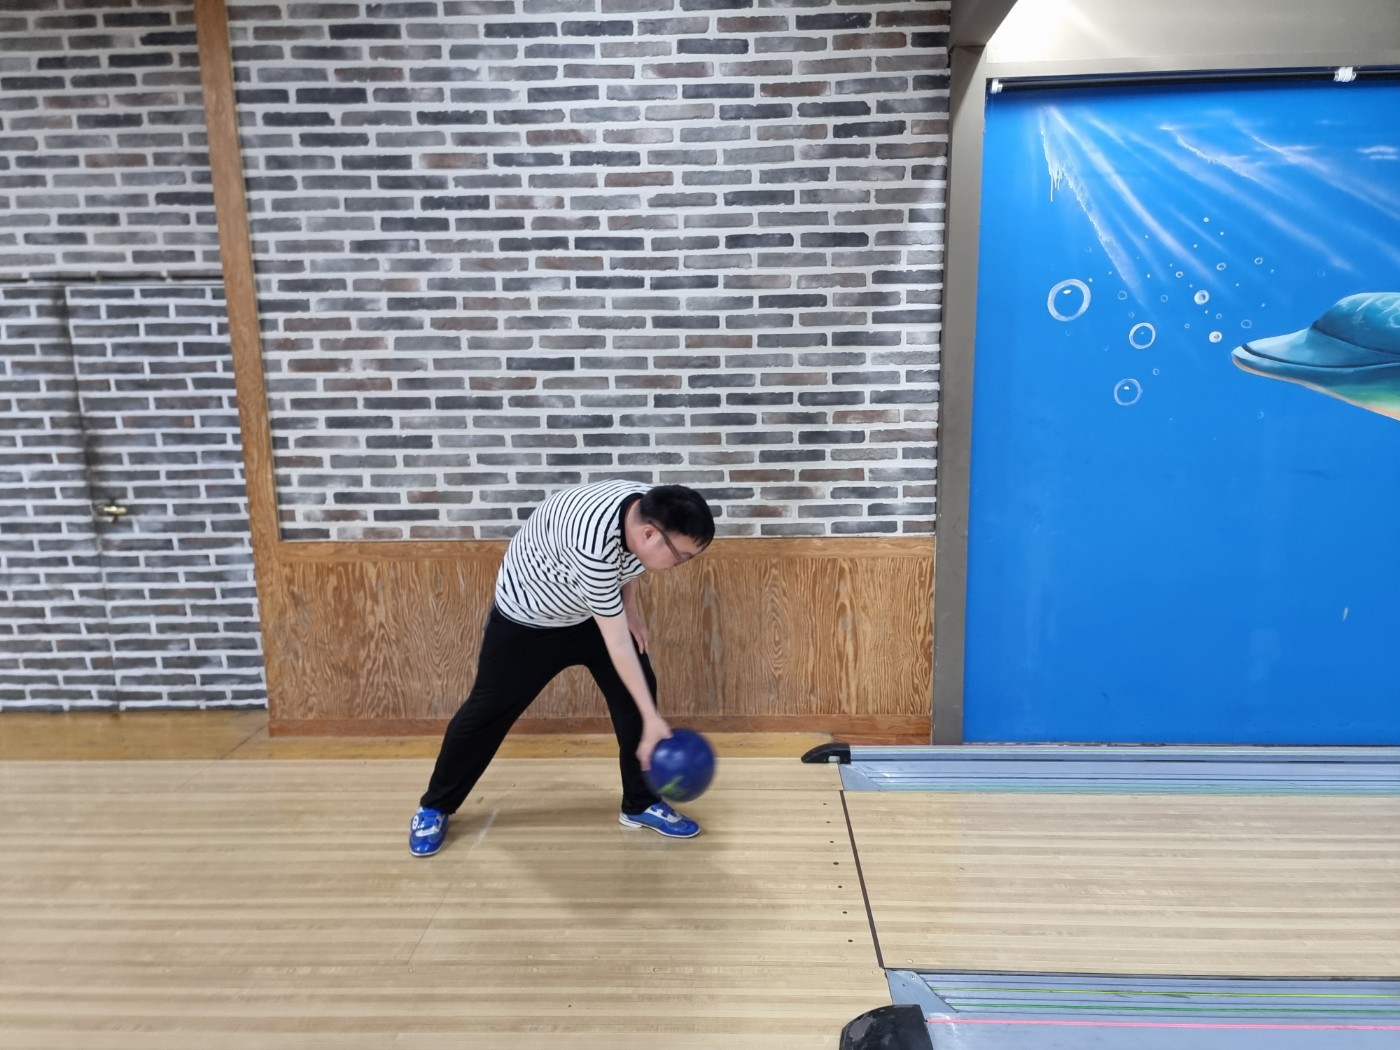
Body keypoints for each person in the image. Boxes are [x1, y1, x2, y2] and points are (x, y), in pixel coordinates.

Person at [408, 479, 715, 856]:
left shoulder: (649, 507)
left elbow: (631, 562)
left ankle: (640, 803)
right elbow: (617, 642)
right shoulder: (592, 543)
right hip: (529, 621)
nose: (681, 565)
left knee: (636, 699)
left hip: (589, 611)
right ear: (650, 533)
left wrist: (631, 609)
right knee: (485, 714)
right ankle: (434, 806)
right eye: (681, 557)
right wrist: (654, 720)